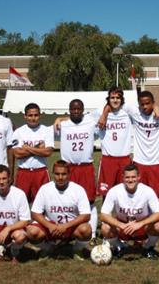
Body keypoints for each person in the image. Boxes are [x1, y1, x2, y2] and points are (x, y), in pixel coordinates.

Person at [27, 160, 92, 260]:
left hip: (70, 227)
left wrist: (65, 226)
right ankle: (48, 249)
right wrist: (50, 226)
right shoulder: (45, 189)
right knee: (31, 231)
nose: (60, 177)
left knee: (86, 230)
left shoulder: (78, 189)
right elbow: (35, 213)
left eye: (64, 174)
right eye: (57, 174)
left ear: (69, 174)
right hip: (50, 227)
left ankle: (76, 249)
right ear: (53, 174)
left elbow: (86, 215)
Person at [55, 99, 99, 240]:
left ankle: (91, 235)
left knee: (89, 201)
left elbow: (106, 110)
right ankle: (67, 232)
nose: (76, 111)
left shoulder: (91, 122)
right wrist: (59, 119)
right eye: (73, 109)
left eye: (78, 109)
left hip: (85, 167)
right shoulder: (63, 125)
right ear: (69, 110)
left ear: (83, 110)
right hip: (68, 168)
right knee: (68, 201)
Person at [100, 164, 159, 260]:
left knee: (158, 225)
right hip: (123, 227)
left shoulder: (147, 191)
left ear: (139, 177)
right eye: (127, 177)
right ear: (123, 178)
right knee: (105, 227)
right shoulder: (115, 191)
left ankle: (148, 248)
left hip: (141, 227)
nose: (130, 180)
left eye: (133, 177)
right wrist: (120, 224)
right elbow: (103, 215)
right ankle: (119, 247)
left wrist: (140, 224)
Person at [122, 91, 159, 199]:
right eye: (142, 104)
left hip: (156, 162)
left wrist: (156, 107)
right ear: (139, 104)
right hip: (139, 162)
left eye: (148, 103)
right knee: (138, 196)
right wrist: (104, 115)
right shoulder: (135, 112)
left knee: (156, 198)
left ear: (153, 103)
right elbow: (113, 101)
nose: (145, 106)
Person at [12, 103, 54, 202]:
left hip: (41, 172)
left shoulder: (46, 130)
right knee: (20, 203)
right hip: (23, 173)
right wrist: (38, 148)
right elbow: (17, 154)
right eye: (30, 115)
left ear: (40, 115)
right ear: (25, 116)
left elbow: (48, 152)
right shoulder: (19, 132)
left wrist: (27, 148)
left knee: (43, 203)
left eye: (36, 115)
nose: (33, 118)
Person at [95, 87, 133, 196]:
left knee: (125, 193)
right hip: (108, 159)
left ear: (122, 99)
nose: (115, 100)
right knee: (106, 194)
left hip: (124, 159)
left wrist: (106, 109)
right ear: (108, 99)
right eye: (112, 98)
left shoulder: (127, 113)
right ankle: (105, 213)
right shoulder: (100, 113)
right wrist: (61, 119)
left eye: (118, 97)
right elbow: (83, 119)